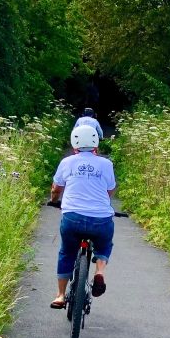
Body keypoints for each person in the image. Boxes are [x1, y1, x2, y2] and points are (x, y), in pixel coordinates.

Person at [49, 124, 116, 309]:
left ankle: (60, 296)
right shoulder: (106, 164)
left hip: (72, 219)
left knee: (66, 252)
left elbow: (56, 189)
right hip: (101, 219)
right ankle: (99, 272)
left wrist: (54, 200)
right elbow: (109, 191)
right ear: (96, 143)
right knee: (104, 245)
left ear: (74, 143)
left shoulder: (67, 162)